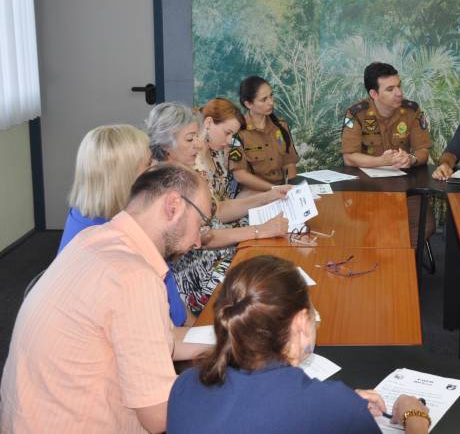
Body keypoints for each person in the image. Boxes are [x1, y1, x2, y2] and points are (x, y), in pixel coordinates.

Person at [1, 163, 215, 433]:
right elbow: (159, 415)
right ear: (173, 207)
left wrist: (227, 336)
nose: (198, 241)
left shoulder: (92, 238)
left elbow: (159, 338)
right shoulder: (134, 277)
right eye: (201, 223)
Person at [167, 255, 432, 434]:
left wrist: (337, 403)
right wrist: (414, 416)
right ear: (301, 324)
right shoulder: (336, 409)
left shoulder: (184, 387)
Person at [147, 102, 289, 315]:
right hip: (198, 278)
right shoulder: (167, 185)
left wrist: (267, 198)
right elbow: (205, 238)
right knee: (266, 283)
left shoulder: (183, 172)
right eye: (189, 139)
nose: (197, 144)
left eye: (196, 136)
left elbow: (215, 212)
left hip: (215, 258)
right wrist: (261, 230)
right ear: (167, 146)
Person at [55, 124, 195, 328]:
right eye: (148, 164)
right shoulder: (128, 235)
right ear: (125, 177)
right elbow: (177, 319)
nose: (155, 167)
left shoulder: (80, 215)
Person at [341, 62, 433, 245]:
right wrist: (381, 161)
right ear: (374, 94)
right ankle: (386, 258)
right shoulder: (356, 114)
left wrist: (411, 159)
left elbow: (423, 151)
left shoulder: (411, 111)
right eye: (390, 89)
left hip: (405, 188)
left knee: (426, 226)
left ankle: (405, 262)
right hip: (368, 188)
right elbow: (349, 157)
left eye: (399, 85)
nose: (399, 93)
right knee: (375, 224)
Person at [230, 76, 299, 195]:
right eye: (264, 99)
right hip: (254, 194)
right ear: (248, 104)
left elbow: (290, 162)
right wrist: (273, 189)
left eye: (271, 96)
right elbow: (240, 175)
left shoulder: (281, 127)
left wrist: (289, 187)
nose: (271, 102)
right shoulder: (239, 132)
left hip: (282, 190)